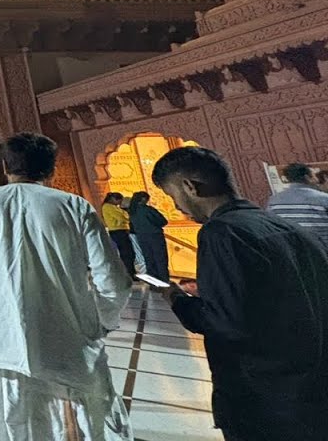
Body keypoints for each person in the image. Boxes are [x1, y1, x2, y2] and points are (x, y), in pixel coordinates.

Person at [0, 133, 132, 441]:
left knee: (15, 422)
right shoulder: (74, 206)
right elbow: (113, 281)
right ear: (51, 170)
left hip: (1, 340)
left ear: (6, 167)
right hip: (68, 338)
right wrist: (100, 323)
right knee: (82, 422)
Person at [151, 147, 328, 440]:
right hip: (312, 389)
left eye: (173, 197)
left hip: (264, 398)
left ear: (189, 187)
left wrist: (178, 300)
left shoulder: (222, 232)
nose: (177, 207)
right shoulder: (286, 226)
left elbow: (225, 322)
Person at [267, 162, 328, 248]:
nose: (317, 179)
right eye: (314, 175)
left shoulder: (274, 201)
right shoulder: (323, 198)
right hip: (322, 250)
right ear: (307, 178)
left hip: (294, 250)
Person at [127, 191, 170, 281]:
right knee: (160, 258)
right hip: (155, 236)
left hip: (141, 237)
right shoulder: (147, 209)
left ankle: (153, 280)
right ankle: (164, 280)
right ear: (143, 199)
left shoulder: (132, 211)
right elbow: (163, 221)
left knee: (149, 259)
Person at [101, 191, 137, 277]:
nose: (120, 203)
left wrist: (125, 216)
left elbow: (125, 216)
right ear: (113, 199)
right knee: (126, 253)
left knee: (129, 253)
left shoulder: (114, 207)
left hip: (122, 231)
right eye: (119, 201)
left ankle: (131, 272)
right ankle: (129, 273)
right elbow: (122, 217)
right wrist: (125, 216)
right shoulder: (107, 207)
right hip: (118, 232)